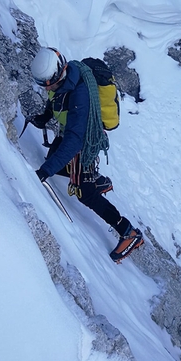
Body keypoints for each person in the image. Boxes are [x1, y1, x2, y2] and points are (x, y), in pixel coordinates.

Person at [30, 46, 143, 263]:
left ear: (57, 74)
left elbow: (75, 141)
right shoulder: (63, 76)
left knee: (85, 193)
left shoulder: (79, 94)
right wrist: (45, 117)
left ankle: (128, 232)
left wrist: (44, 172)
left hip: (85, 141)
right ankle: (98, 181)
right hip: (74, 134)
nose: (47, 88)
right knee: (55, 162)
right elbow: (54, 99)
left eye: (48, 84)